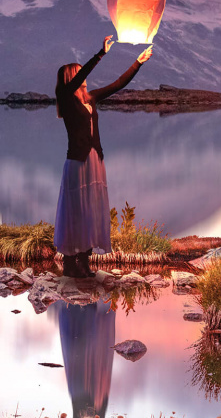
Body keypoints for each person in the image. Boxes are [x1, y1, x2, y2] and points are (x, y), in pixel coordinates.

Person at [54, 36, 153, 278]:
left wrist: (138, 62)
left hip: (94, 161)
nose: (84, 77)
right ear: (70, 78)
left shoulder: (91, 98)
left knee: (91, 209)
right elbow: (77, 78)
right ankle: (70, 261)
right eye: (79, 74)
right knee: (76, 209)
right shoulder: (66, 98)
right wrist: (101, 53)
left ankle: (85, 260)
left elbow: (118, 83)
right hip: (77, 162)